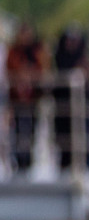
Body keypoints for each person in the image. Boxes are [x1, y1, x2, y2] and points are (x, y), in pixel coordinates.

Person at [5, 25, 48, 174]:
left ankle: (28, 160)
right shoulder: (13, 52)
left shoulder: (36, 52)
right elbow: (9, 70)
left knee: (32, 130)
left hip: (32, 99)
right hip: (17, 99)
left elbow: (43, 69)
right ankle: (18, 161)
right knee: (16, 131)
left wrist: (31, 75)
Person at [52, 26, 89, 171]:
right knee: (64, 139)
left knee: (83, 138)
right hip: (63, 107)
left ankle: (85, 166)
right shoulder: (59, 58)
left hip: (82, 109)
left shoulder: (84, 59)